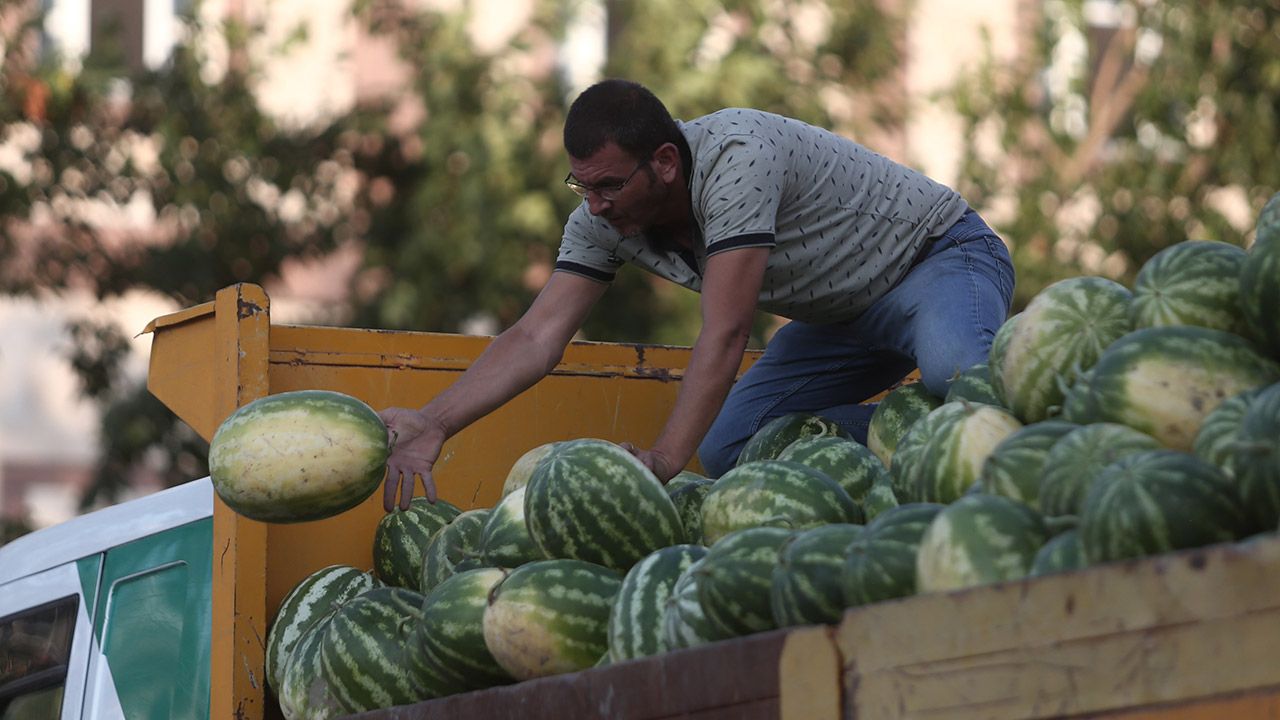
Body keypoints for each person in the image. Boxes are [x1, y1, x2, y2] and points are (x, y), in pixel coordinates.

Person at [378, 78, 1014, 511]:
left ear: (664, 162)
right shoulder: (602, 219)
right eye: (581, 188)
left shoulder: (738, 156)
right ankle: (907, 432)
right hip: (844, 319)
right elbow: (536, 336)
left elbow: (727, 332)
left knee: (962, 375)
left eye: (607, 186)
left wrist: (660, 460)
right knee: (731, 448)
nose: (595, 206)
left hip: (939, 258)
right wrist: (434, 422)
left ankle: (1011, 430)